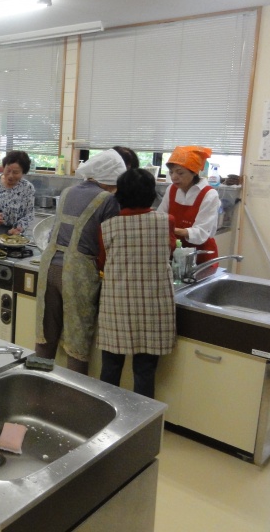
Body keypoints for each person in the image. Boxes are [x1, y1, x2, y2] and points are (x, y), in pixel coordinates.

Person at [34, 149, 125, 374]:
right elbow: (109, 241)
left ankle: (37, 384)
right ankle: (73, 392)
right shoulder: (108, 199)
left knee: (45, 334)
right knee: (77, 340)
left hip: (49, 267)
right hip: (78, 273)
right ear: (110, 178)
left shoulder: (68, 191)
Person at [96, 168, 177, 398]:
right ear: (151, 194)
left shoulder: (107, 226)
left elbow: (101, 262)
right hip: (154, 306)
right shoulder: (166, 222)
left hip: (117, 306)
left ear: (119, 195)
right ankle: (141, 417)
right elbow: (170, 251)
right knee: (145, 371)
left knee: (111, 368)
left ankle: (106, 414)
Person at [157, 145, 219, 266]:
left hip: (201, 255)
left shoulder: (209, 194)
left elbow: (201, 232)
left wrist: (172, 229)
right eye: (171, 172)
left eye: (180, 173)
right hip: (176, 253)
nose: (174, 177)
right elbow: (160, 216)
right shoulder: (172, 189)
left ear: (194, 172)